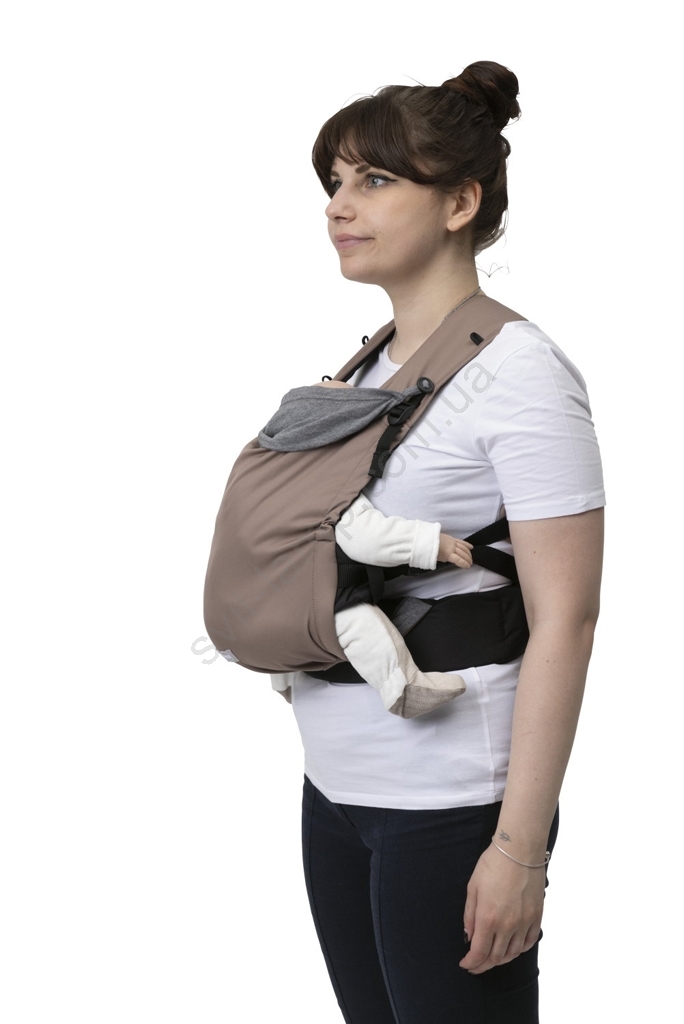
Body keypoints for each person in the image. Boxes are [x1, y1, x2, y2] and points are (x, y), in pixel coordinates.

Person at [277, 61, 605, 1023]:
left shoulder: (522, 372)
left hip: (454, 804)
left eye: (374, 180)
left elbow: (567, 620)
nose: (339, 205)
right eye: (335, 181)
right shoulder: (367, 367)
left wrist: (519, 850)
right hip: (335, 789)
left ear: (461, 202)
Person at [268, 380, 475, 717]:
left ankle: (285, 680)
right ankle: (403, 688)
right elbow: (366, 538)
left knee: (279, 625)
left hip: (268, 595)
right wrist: (433, 544)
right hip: (312, 599)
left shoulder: (268, 479)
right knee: (356, 621)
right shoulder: (327, 482)